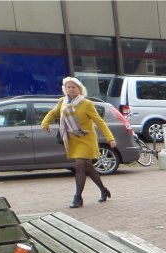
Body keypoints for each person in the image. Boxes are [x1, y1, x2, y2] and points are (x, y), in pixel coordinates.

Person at [41, 76, 117, 209]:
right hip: (72, 139)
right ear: (65, 89)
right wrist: (45, 123)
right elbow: (53, 113)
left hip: (86, 139)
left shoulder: (86, 104)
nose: (70, 89)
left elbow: (100, 122)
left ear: (80, 89)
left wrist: (110, 138)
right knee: (88, 168)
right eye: (68, 87)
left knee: (79, 165)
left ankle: (78, 197)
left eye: (73, 87)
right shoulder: (62, 102)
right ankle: (103, 190)